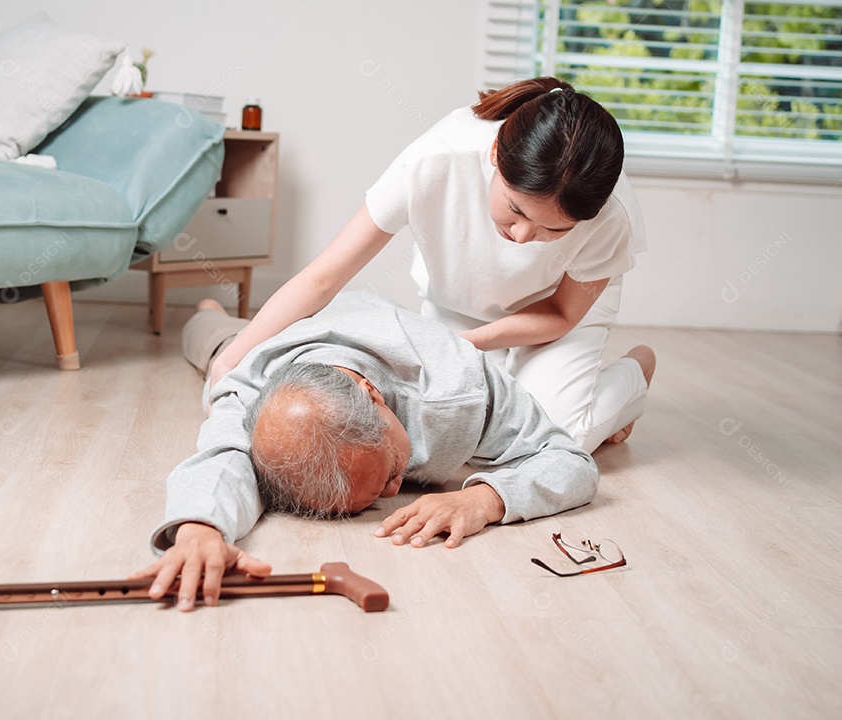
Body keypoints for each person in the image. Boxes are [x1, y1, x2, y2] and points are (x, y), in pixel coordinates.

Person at [206, 77, 655, 453]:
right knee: (446, 431)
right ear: (497, 153)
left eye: (553, 231)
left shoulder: (609, 213)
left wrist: (466, 345)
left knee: (552, 438)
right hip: (460, 298)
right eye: (516, 210)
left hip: (557, 313)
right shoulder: (437, 158)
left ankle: (634, 371)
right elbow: (325, 277)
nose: (522, 237)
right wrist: (230, 358)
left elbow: (560, 314)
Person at [134, 293, 598, 611]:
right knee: (213, 341)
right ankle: (210, 310)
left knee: (582, 418)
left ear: (372, 395)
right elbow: (222, 460)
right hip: (285, 336)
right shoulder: (246, 388)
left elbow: (571, 461)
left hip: (368, 317)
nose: (398, 490)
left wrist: (483, 499)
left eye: (390, 471)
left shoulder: (461, 384)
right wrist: (199, 529)